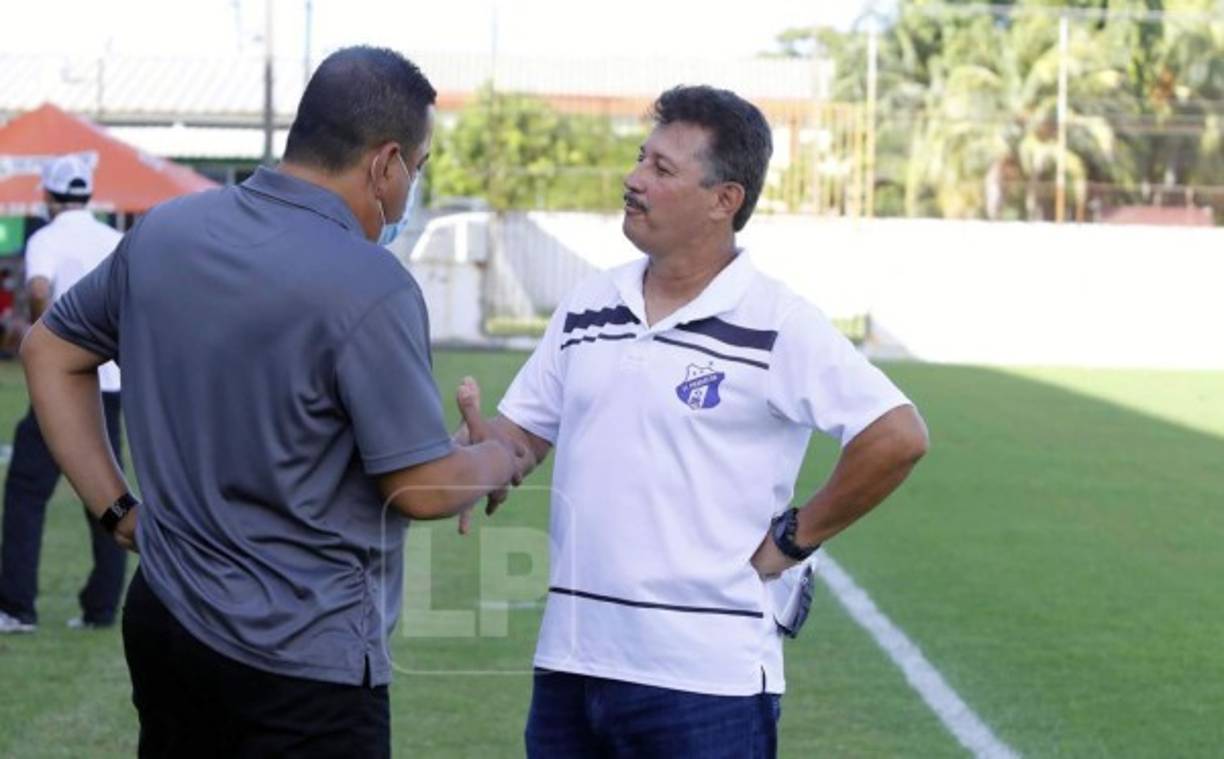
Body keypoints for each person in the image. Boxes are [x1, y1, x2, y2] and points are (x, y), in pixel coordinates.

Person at [20, 46, 521, 757]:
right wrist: (496, 455)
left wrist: (116, 510)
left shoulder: (164, 232)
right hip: (300, 656)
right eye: (419, 164)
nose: (412, 185)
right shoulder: (370, 283)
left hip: (167, 617)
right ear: (384, 164)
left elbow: (49, 350)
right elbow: (419, 484)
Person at [465, 85, 930, 757]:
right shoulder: (588, 305)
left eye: (661, 169)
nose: (634, 179)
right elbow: (520, 436)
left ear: (724, 200)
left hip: (705, 683)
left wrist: (794, 541)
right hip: (572, 661)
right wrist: (476, 456)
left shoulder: (776, 322)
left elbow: (897, 434)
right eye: (639, 159)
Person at [0, 155, 127, 633]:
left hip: (64, 382)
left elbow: (36, 288)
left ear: (50, 197)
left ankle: (16, 605)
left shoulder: (46, 239)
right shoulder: (115, 240)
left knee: (27, 492)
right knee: (108, 492)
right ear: (89, 194)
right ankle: (101, 606)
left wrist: (43, 331)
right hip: (111, 380)